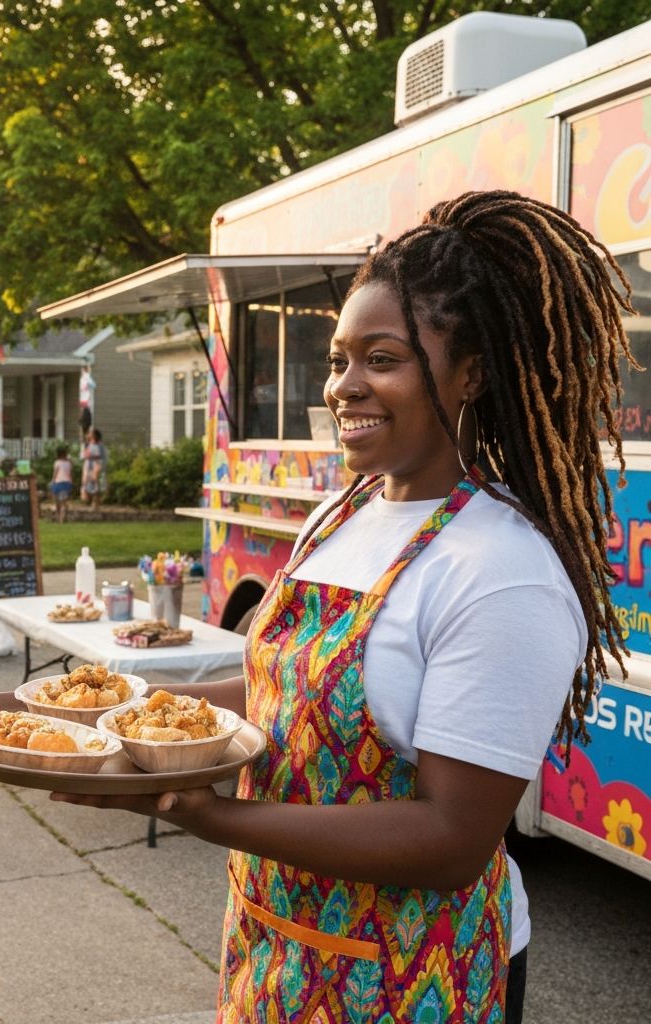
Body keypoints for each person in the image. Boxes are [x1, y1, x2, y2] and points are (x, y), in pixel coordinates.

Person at [51, 191, 637, 1023]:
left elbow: (449, 840)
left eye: (382, 358)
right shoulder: (343, 514)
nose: (344, 386)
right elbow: (276, 693)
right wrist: (127, 717)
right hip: (272, 951)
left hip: (410, 982)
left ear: (471, 372)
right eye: (337, 359)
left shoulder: (502, 569)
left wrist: (215, 814)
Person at [81, 427, 107, 510]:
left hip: (96, 465)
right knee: (89, 484)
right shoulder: (88, 444)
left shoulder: (99, 444)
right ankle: (92, 502)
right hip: (89, 466)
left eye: (90, 433)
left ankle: (96, 504)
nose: (88, 434)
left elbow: (100, 456)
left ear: (94, 435)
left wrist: (90, 456)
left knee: (96, 484)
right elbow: (84, 455)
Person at [49, 446, 73, 523]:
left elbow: (55, 473)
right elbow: (70, 473)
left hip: (58, 482)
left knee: (57, 502)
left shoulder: (57, 462)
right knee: (64, 502)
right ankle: (63, 517)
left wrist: (52, 481)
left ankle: (59, 517)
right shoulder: (69, 463)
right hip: (67, 482)